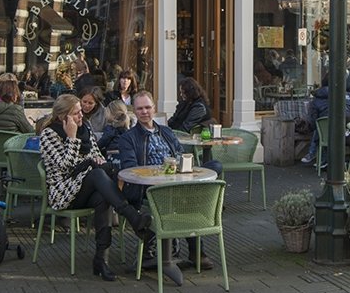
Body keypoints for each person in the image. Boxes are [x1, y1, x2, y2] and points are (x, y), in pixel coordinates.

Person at [38, 95, 154, 282]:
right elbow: (66, 166)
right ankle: (133, 216)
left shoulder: (85, 128)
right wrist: (72, 137)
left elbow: (95, 154)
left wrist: (97, 159)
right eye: (75, 113)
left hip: (85, 187)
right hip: (63, 192)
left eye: (80, 112)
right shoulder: (49, 134)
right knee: (97, 175)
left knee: (102, 196)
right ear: (62, 117)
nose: (80, 116)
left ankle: (101, 260)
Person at [118, 92, 223, 279]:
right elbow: (131, 169)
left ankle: (189, 249)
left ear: (154, 108)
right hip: (149, 188)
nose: (144, 112)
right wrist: (159, 171)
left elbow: (180, 154)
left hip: (177, 181)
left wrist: (182, 165)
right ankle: (196, 251)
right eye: (140, 108)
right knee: (190, 199)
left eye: (147, 107)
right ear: (134, 111)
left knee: (215, 166)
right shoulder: (128, 138)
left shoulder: (166, 132)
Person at [301, 74, 350, 167]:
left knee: (320, 128)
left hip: (324, 136)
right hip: (345, 135)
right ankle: (333, 161)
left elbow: (312, 122)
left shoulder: (316, 100)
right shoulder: (348, 96)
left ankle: (320, 157)